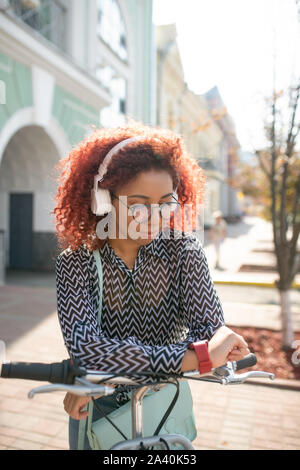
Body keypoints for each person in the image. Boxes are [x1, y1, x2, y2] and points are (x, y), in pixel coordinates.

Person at [53, 121, 250, 450]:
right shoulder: (75, 262)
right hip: (98, 417)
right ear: (103, 199)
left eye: (166, 203)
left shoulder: (183, 251)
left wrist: (95, 371)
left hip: (164, 413)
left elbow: (210, 330)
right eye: (140, 204)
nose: (156, 216)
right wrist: (196, 357)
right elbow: (88, 350)